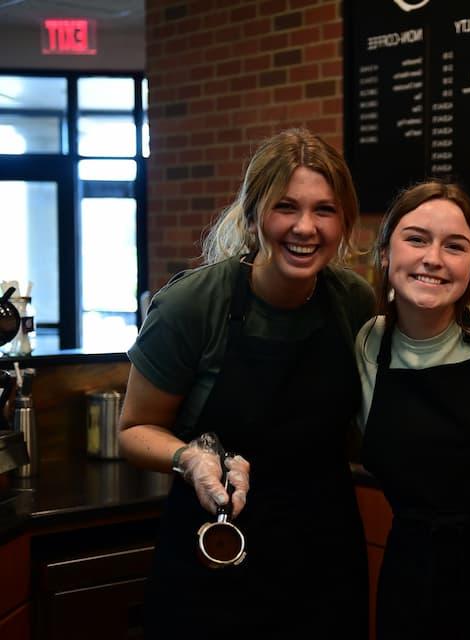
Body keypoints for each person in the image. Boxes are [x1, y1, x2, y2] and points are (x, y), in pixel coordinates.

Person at [118, 128, 375, 639]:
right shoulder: (193, 304)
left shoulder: (354, 302)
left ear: (344, 220)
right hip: (217, 543)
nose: (305, 227)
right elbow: (135, 427)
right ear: (255, 214)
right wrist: (189, 458)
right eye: (286, 207)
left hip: (323, 551)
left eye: (324, 210)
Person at [355, 179, 470, 639]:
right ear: (385, 253)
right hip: (411, 581)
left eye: (454, 246)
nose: (433, 258)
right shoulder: (366, 343)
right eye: (416, 239)